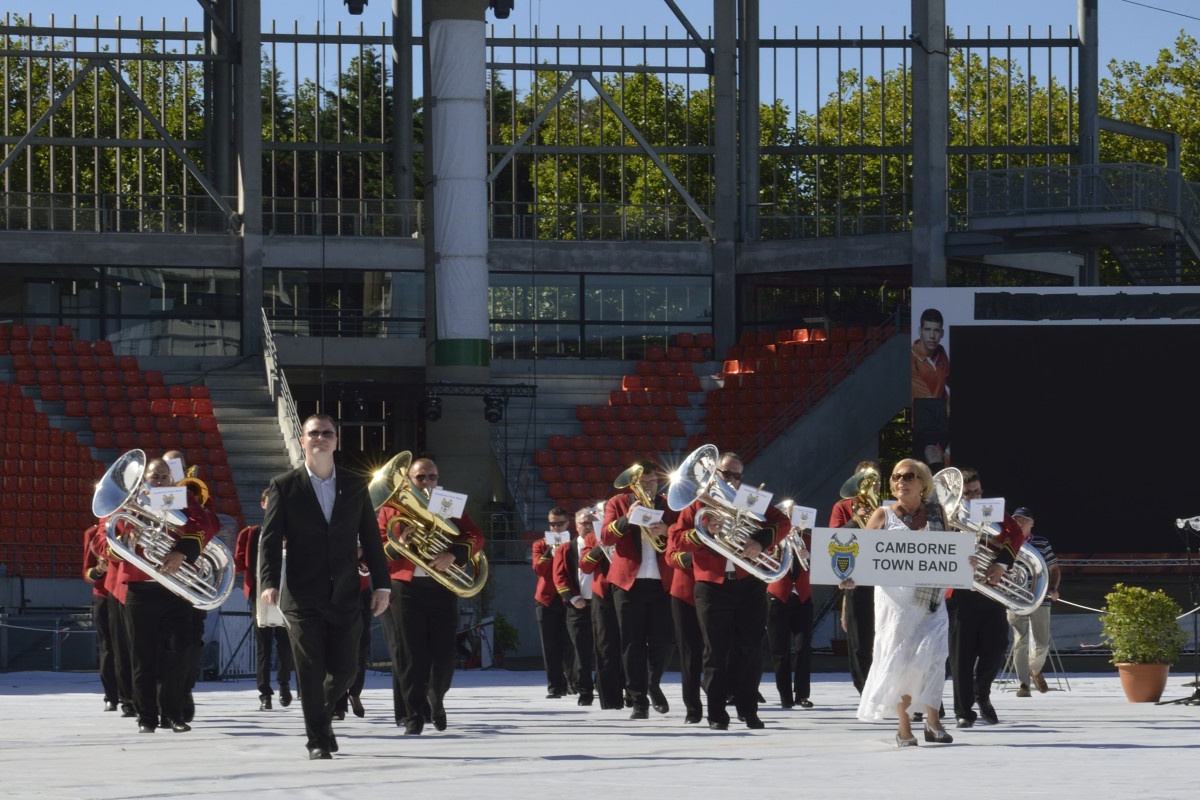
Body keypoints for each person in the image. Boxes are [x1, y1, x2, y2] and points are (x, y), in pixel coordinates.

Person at [258, 414, 391, 760]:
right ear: (303, 441)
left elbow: (371, 539)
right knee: (310, 670)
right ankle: (317, 739)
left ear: (336, 441)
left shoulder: (356, 483)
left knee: (346, 671)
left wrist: (382, 585)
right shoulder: (284, 485)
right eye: (313, 433)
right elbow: (270, 541)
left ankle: (322, 716)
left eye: (327, 433)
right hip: (302, 596)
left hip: (346, 593)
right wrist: (268, 582)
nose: (320, 438)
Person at [667, 451, 787, 730]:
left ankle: (749, 710)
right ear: (714, 474)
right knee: (715, 652)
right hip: (711, 585)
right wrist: (703, 532)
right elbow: (677, 542)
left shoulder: (750, 498)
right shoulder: (698, 503)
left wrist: (760, 541)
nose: (732, 480)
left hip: (749, 583)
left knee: (751, 649)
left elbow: (783, 523)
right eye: (726, 474)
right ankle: (717, 714)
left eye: (737, 475)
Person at [377, 455, 485, 736]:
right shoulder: (390, 506)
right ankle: (413, 716)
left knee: (445, 654)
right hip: (405, 588)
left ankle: (435, 697)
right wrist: (399, 544)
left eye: (432, 477)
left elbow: (475, 535)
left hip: (441, 586)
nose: (427, 482)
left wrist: (454, 555)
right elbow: (378, 545)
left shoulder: (446, 501)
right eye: (420, 477)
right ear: (408, 479)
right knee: (410, 654)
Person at [115, 457, 220, 734]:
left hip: (175, 588)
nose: (159, 481)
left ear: (171, 479)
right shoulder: (132, 500)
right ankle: (146, 717)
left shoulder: (179, 496)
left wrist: (182, 552)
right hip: (140, 589)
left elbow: (206, 524)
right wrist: (130, 530)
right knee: (142, 657)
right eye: (154, 476)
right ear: (144, 479)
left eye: (164, 476)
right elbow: (112, 529)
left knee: (178, 652)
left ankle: (172, 715)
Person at [856, 459, 954, 747]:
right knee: (901, 662)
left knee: (935, 657)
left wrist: (964, 562)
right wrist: (846, 576)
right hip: (896, 605)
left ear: (923, 483)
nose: (900, 481)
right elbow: (860, 557)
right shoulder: (882, 515)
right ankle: (904, 728)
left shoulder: (937, 513)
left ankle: (933, 722)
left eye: (908, 476)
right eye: (896, 476)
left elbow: (949, 552)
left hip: (931, 599)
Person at [946, 467, 1029, 729]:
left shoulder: (988, 509)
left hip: (991, 590)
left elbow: (1015, 533)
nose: (974, 497)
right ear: (957, 495)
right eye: (968, 493)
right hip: (959, 592)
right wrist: (960, 557)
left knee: (996, 648)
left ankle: (981, 692)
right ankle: (963, 712)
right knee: (961, 656)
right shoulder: (945, 513)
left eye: (977, 491)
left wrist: (1001, 565)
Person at [601, 461, 678, 720]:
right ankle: (638, 700)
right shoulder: (618, 503)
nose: (648, 487)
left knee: (664, 642)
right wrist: (627, 518)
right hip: (628, 584)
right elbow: (606, 537)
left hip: (662, 583)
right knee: (632, 644)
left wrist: (667, 530)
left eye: (652, 482)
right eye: (643, 483)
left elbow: (684, 533)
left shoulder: (669, 504)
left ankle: (652, 684)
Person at [233, 489, 294, 711]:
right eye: (271, 501)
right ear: (263, 504)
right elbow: (239, 564)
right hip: (259, 593)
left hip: (287, 592)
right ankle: (265, 693)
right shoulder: (250, 533)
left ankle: (284, 684)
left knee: (286, 644)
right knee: (263, 646)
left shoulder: (292, 531)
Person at [830, 460, 880, 693]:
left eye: (876, 481)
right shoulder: (842, 507)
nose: (872, 486)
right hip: (856, 579)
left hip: (882, 577)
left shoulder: (889, 508)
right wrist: (855, 520)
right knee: (860, 640)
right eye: (866, 481)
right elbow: (833, 538)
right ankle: (865, 690)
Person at [1006, 508, 1061, 697]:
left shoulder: (1042, 543)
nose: (1019, 522)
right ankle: (1024, 685)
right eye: (1016, 519)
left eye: (1023, 519)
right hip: (1015, 598)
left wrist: (1053, 588)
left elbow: (1054, 568)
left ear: (1032, 523)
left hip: (1040, 598)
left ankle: (1034, 669)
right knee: (1020, 641)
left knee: (1043, 643)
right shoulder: (1006, 540)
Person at [552, 506, 599, 706]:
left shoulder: (605, 546)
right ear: (576, 525)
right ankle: (585, 691)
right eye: (584, 523)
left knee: (606, 649)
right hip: (578, 606)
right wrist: (573, 598)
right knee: (581, 651)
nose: (588, 527)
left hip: (602, 605)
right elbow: (559, 577)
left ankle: (606, 687)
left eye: (591, 523)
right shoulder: (565, 549)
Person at [577, 512, 624, 710]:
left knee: (631, 645)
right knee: (605, 648)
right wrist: (601, 545)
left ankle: (633, 692)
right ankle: (610, 700)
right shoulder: (591, 539)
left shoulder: (627, 533)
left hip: (628, 591)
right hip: (604, 594)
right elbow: (585, 566)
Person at [766, 528, 814, 709]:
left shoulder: (808, 539)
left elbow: (824, 565)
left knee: (804, 648)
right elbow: (764, 560)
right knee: (780, 650)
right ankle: (785, 696)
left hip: (803, 598)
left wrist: (810, 557)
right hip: (777, 598)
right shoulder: (774, 537)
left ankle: (802, 694)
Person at [534, 507, 572, 699]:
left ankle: (572, 682)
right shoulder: (540, 544)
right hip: (547, 598)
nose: (555, 528)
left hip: (569, 597)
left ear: (567, 524)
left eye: (559, 524)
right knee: (549, 645)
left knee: (570, 643)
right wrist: (550, 550)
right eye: (552, 524)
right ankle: (555, 686)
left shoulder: (574, 544)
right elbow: (538, 570)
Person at [82, 524, 118, 712]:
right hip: (104, 595)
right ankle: (111, 695)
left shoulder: (133, 528)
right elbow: (87, 573)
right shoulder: (92, 533)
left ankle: (132, 695)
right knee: (108, 648)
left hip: (130, 593)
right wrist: (98, 570)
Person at [911, 308, 949, 400]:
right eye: (927, 330)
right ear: (920, 331)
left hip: (943, 406)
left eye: (936, 330)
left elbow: (948, 379)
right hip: (927, 408)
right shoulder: (911, 360)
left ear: (942, 333)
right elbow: (930, 402)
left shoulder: (941, 351)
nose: (932, 336)